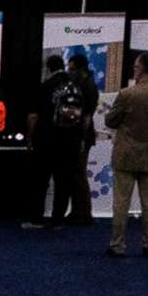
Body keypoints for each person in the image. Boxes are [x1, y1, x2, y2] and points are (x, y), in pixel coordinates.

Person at [106, 54, 148, 259]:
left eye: (136, 67)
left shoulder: (127, 94)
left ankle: (118, 244)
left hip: (126, 155)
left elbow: (110, 121)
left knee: (121, 203)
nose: (134, 70)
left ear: (142, 69)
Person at [33, 53, 97, 228]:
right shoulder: (76, 87)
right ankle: (60, 219)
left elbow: (35, 116)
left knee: (44, 179)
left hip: (48, 139)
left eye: (73, 68)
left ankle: (80, 214)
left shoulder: (48, 86)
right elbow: (84, 117)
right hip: (70, 140)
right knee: (65, 180)